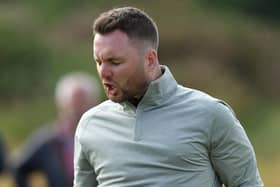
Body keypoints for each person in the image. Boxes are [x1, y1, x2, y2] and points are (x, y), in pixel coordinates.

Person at [74, 7, 263, 187]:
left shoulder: (211, 114)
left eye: (114, 62)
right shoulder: (91, 124)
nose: (103, 72)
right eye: (98, 62)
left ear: (150, 60)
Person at [13, 72, 100, 187]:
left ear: (94, 103)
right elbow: (18, 168)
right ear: (61, 102)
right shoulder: (48, 140)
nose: (78, 108)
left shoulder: (103, 137)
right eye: (75, 101)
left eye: (83, 101)